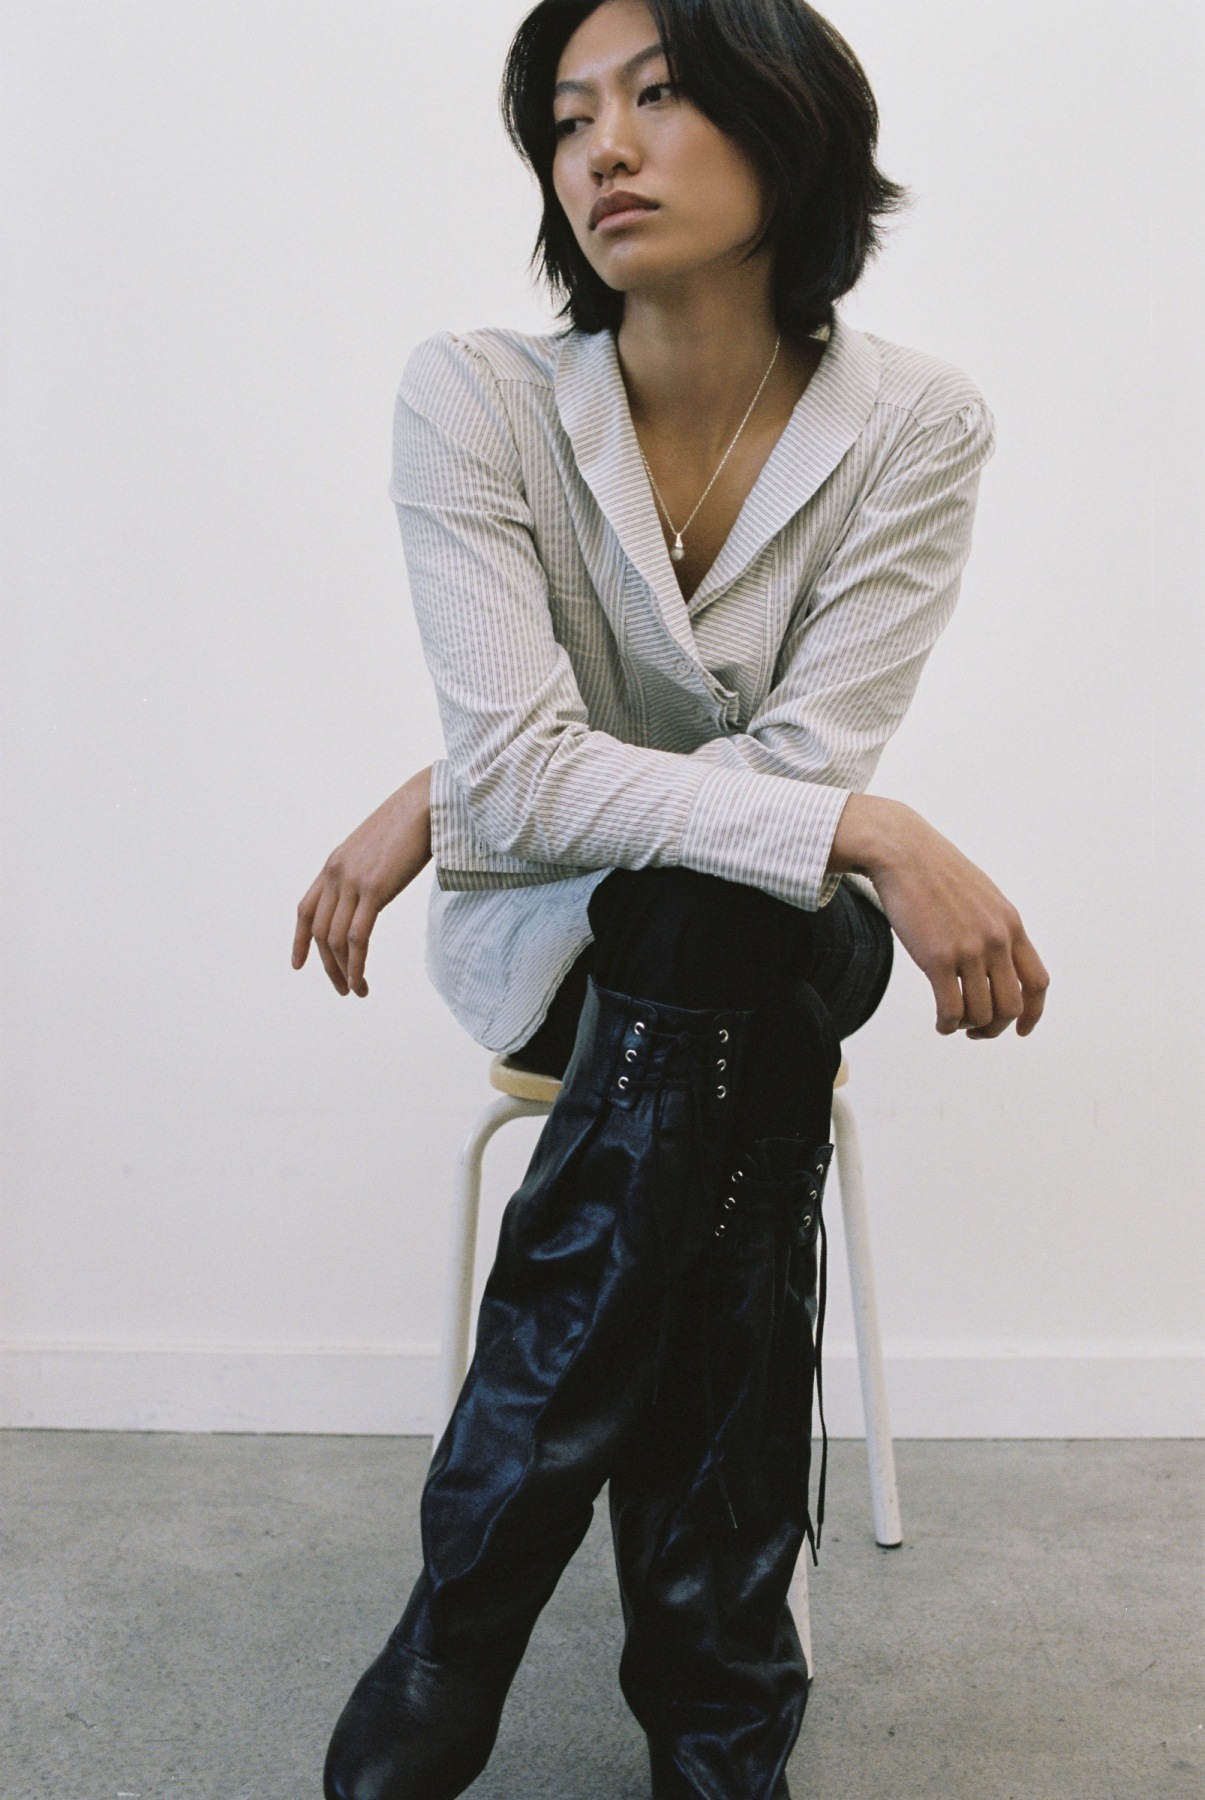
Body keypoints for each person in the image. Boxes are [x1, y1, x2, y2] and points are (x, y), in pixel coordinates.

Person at [292, 2, 1050, 1795]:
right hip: (572, 943)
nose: (603, 151)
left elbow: (773, 765)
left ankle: (457, 1631)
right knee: (732, 1001)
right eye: (568, 120)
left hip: (767, 919)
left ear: (787, 129)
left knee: (725, 912)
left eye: (656, 96)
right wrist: (875, 832)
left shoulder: (915, 423)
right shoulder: (475, 396)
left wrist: (474, 783)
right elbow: (595, 780)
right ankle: (717, 1711)